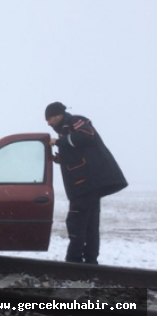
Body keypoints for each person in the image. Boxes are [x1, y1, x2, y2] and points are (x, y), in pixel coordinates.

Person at [45, 102, 127, 264]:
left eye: (49, 118)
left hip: (86, 185)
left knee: (76, 222)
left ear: (59, 115)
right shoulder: (65, 132)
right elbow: (78, 155)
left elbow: (86, 137)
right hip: (86, 185)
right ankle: (90, 260)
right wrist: (60, 159)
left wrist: (59, 142)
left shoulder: (76, 121)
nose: (48, 123)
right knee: (89, 223)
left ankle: (74, 261)